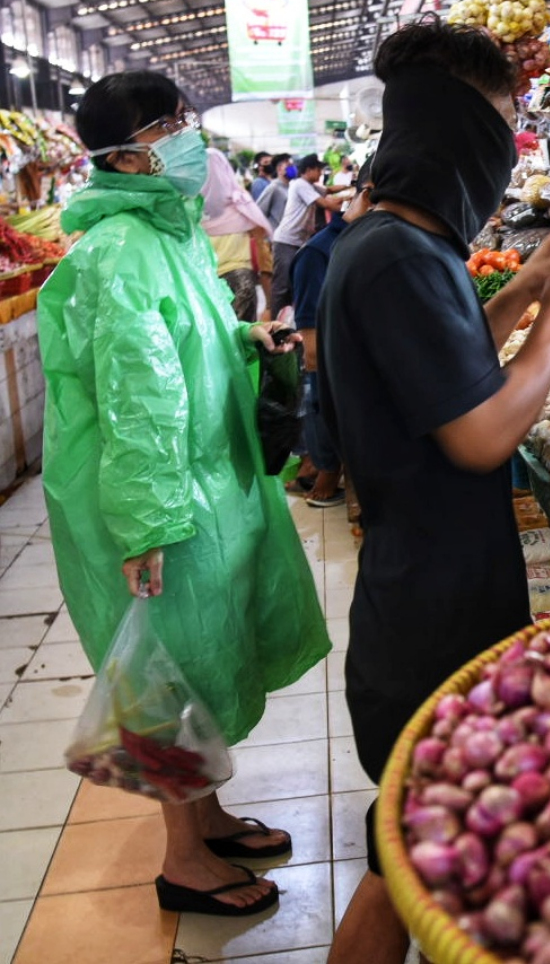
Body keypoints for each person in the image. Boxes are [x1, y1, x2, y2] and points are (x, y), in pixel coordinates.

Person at [321, 19, 550, 964]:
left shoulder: (395, 246)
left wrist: (528, 285)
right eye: (501, 124)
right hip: (430, 605)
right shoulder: (399, 258)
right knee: (404, 845)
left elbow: (446, 366)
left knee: (416, 838)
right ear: (458, 134)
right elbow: (484, 432)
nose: (507, 150)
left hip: (423, 580)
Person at [37, 71, 330, 916]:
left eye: (182, 117)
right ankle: (182, 865)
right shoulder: (118, 251)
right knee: (168, 680)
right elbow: (136, 398)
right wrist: (147, 524)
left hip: (192, 483)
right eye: (167, 123)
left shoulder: (167, 236)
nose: (186, 134)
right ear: (124, 156)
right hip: (152, 497)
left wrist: (243, 332)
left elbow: (181, 339)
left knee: (202, 659)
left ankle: (206, 823)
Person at [290, 165, 373, 507]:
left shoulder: (368, 241)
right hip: (330, 365)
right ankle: (325, 466)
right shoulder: (318, 254)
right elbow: (312, 352)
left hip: (355, 361)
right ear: (367, 194)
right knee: (318, 389)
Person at [270, 154, 348, 323]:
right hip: (286, 240)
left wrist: (351, 188)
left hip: (298, 241)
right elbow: (327, 204)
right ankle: (275, 325)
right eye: (318, 169)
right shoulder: (299, 184)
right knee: (282, 286)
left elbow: (329, 190)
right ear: (309, 169)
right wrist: (352, 203)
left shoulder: (310, 185)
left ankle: (289, 323)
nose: (321, 173)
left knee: (292, 285)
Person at [202, 147, 274, 322]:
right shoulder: (240, 201)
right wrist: (269, 303)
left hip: (204, 283)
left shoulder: (189, 207)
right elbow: (260, 239)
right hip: (241, 282)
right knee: (242, 341)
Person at [255, 153, 292, 229]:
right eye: (289, 166)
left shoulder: (292, 187)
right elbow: (259, 212)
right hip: (276, 235)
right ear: (279, 169)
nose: (292, 169)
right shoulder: (273, 187)